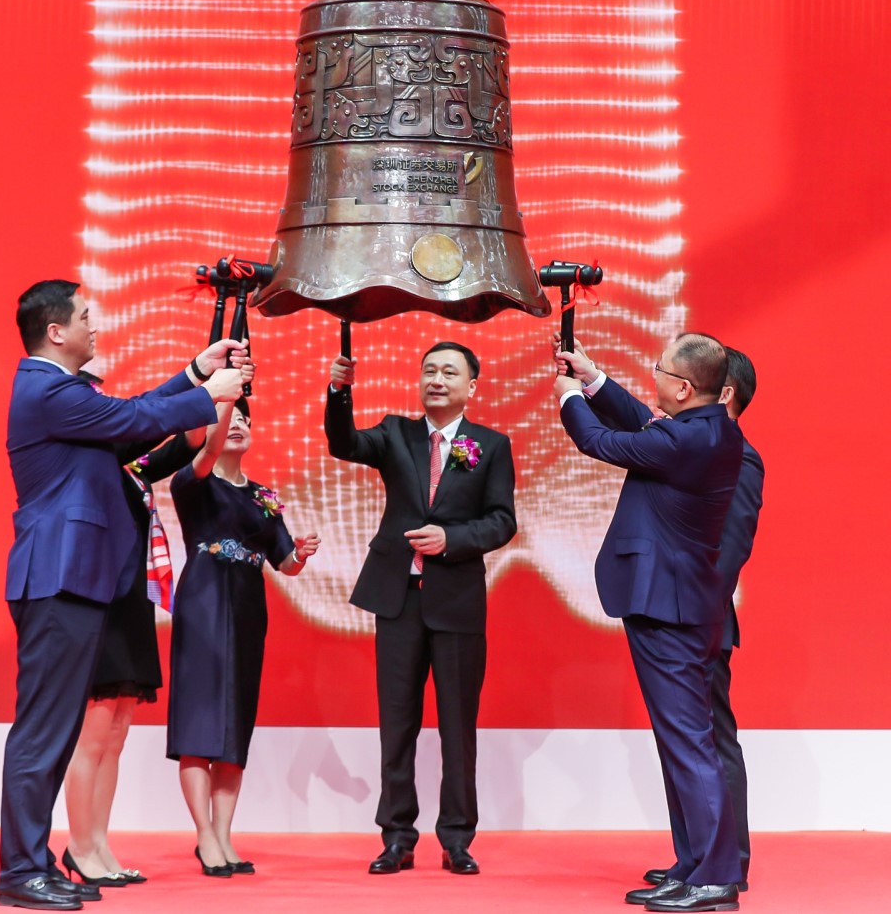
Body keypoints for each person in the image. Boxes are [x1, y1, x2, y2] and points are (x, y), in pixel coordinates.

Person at [0, 279, 247, 911]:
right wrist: (207, 395)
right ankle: (19, 871)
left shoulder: (66, 393)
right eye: (86, 317)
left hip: (79, 579)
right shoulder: (46, 389)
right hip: (57, 577)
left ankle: (34, 862)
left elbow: (130, 424)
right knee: (42, 733)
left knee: (57, 733)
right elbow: (134, 419)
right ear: (56, 330)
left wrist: (195, 373)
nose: (95, 326)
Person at [553, 332, 744, 914]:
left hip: (670, 608)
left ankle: (714, 878)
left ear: (683, 388)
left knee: (688, 742)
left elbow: (600, 441)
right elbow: (644, 425)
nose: (653, 376)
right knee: (680, 741)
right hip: (676, 603)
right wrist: (592, 378)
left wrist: (569, 398)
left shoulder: (687, 439)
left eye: (659, 369)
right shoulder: (705, 430)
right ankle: (694, 865)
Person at [326, 342, 516, 877]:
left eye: (449, 372)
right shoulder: (396, 433)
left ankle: (457, 839)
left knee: (458, 726)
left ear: (471, 386)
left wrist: (452, 539)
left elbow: (502, 520)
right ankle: (397, 838)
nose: (437, 379)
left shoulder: (490, 445)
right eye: (429, 370)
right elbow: (344, 442)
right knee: (397, 724)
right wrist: (339, 391)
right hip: (398, 599)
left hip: (456, 601)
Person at [167, 393, 319, 877]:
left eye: (243, 420)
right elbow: (205, 453)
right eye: (228, 418)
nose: (237, 425)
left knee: (236, 722)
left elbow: (285, 564)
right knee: (199, 723)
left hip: (249, 608)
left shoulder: (263, 496)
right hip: (203, 605)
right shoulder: (193, 480)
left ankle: (224, 835)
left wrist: (300, 553)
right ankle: (204, 836)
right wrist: (221, 400)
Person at [60, 406, 201, 889]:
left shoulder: (131, 470)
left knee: (116, 736)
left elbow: (187, 442)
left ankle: (99, 843)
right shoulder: (82, 465)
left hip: (131, 608)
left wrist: (214, 393)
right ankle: (79, 846)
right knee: (93, 736)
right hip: (97, 607)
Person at [641, 347, 764, 894]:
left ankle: (726, 864)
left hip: (698, 621)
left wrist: (692, 614)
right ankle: (694, 859)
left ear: (723, 393)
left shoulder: (738, 457)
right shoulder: (689, 447)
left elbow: (730, 550)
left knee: (709, 742)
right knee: (684, 744)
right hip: (675, 616)